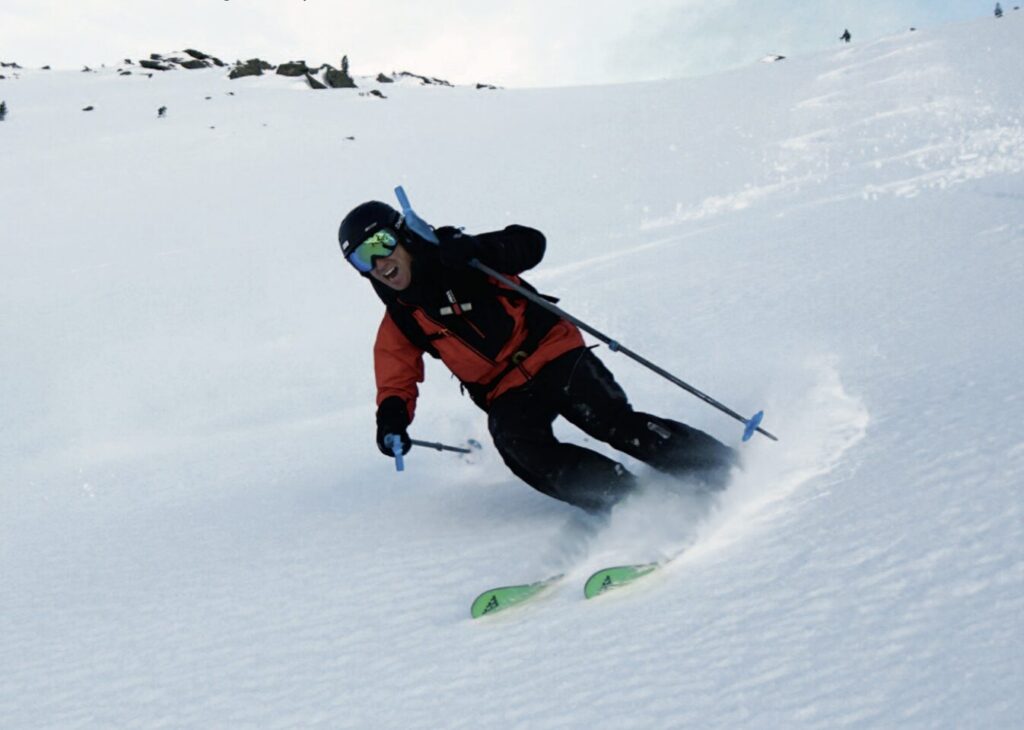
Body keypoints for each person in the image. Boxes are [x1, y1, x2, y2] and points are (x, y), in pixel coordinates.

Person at [338, 201, 737, 513]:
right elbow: (395, 376)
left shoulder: (457, 257)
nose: (378, 263)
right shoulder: (402, 319)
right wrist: (392, 419)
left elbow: (531, 243)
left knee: (608, 421)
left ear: (403, 236)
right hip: (505, 391)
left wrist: (476, 248)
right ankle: (625, 499)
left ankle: (719, 467)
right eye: (362, 258)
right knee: (520, 448)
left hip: (552, 351)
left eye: (381, 245)